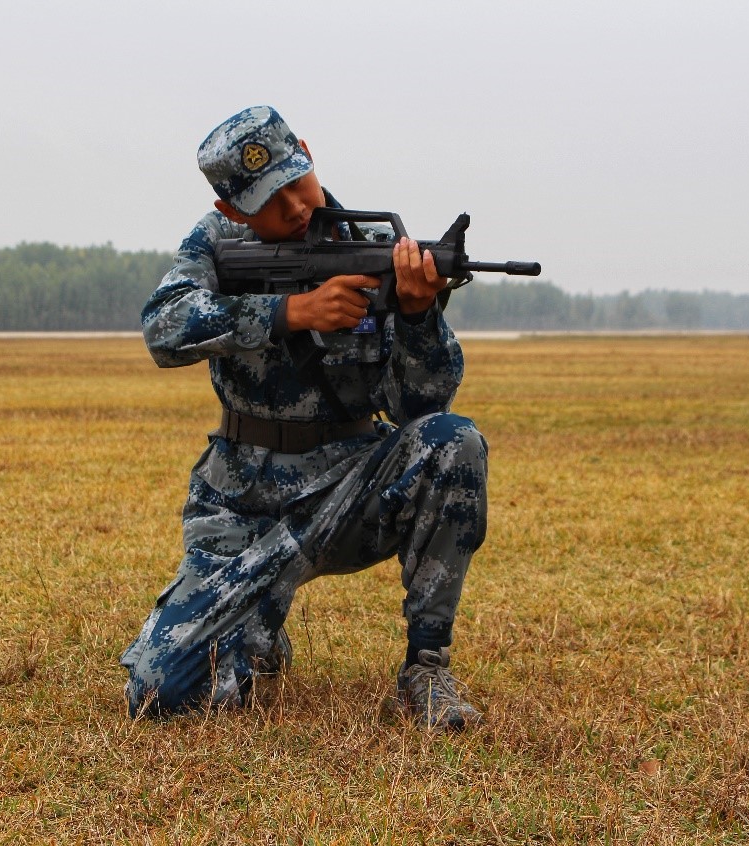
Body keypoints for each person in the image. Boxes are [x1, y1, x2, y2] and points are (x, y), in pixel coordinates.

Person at [119, 106, 488, 730]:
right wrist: (290, 313)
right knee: (160, 694)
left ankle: (426, 669)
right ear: (233, 209)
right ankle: (256, 635)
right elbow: (163, 327)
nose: (294, 206)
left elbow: (423, 407)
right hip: (241, 506)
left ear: (309, 154)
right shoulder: (216, 242)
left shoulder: (375, 249)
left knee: (455, 443)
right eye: (269, 199)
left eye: (297, 181)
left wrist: (418, 315)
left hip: (347, 490)